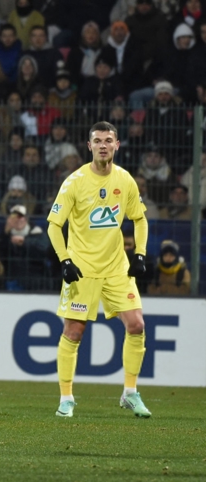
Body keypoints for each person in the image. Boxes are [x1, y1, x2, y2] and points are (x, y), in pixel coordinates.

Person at [47, 121, 152, 419]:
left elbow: (140, 219)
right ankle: (66, 398)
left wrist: (140, 254)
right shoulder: (75, 181)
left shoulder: (125, 180)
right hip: (83, 270)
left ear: (117, 145)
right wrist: (65, 260)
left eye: (108, 140)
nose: (103, 145)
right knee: (74, 332)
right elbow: (54, 225)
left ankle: (130, 393)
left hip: (117, 268)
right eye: (97, 140)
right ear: (89, 145)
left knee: (137, 325)